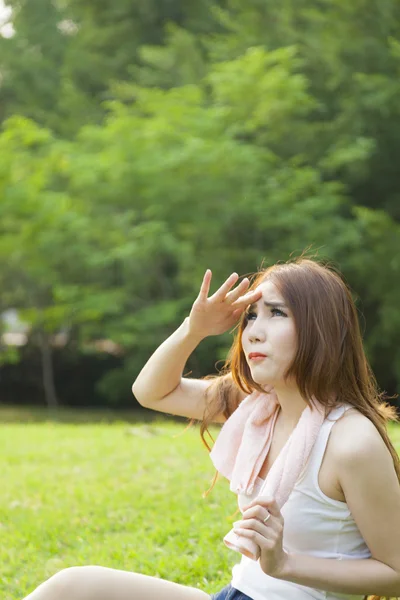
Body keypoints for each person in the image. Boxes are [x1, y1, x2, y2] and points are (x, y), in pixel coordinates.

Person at [23, 257, 400, 600]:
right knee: (72, 587)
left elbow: (395, 573)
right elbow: (151, 391)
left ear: (321, 328)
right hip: (236, 595)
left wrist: (284, 564)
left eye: (276, 313)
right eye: (251, 315)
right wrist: (194, 329)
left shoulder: (351, 442)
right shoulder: (259, 406)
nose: (253, 331)